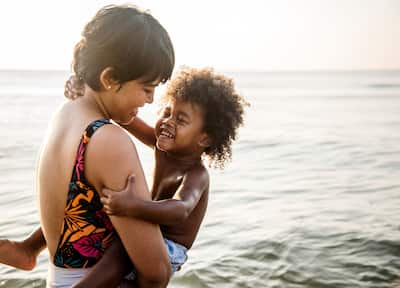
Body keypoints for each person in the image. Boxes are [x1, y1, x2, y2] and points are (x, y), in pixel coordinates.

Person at [0, 67, 248, 286]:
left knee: (120, 250)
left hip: (170, 247)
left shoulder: (196, 174)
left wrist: (134, 206)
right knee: (92, 207)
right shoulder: (163, 146)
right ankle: (29, 248)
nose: (167, 122)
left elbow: (180, 208)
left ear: (204, 138)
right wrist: (86, 86)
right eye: (167, 111)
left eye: (180, 119)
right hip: (149, 225)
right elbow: (124, 117)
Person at [0, 4, 176, 288]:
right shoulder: (109, 141)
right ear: (109, 78)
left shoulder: (65, 114)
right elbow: (156, 271)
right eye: (146, 88)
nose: (151, 100)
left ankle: (27, 249)